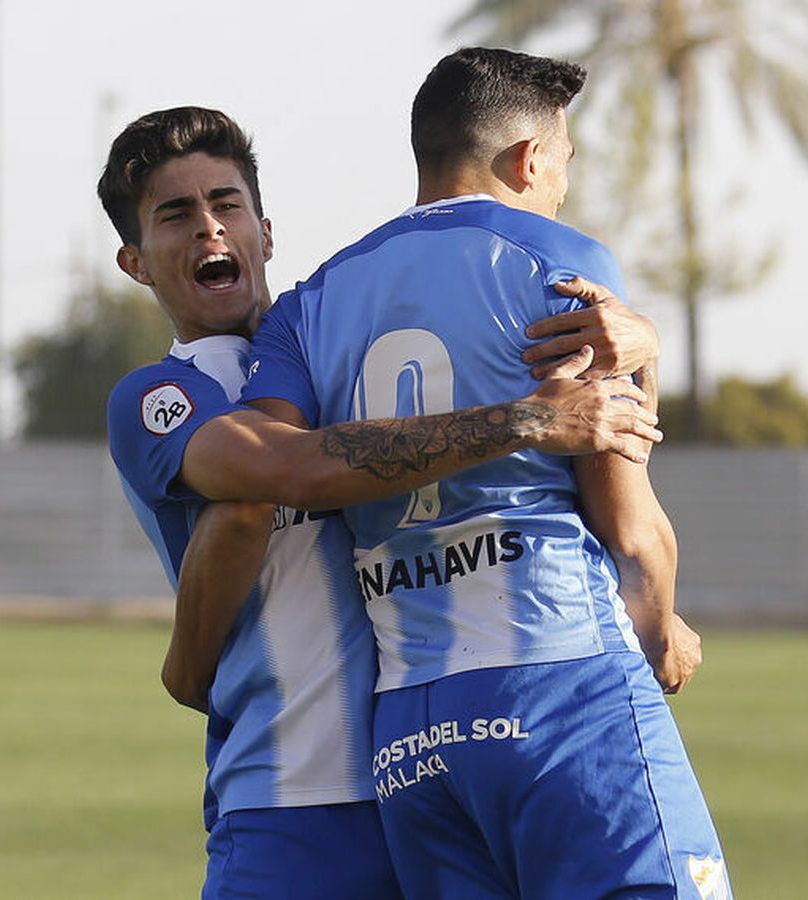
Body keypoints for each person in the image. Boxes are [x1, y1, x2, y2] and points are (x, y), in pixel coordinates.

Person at [97, 106, 665, 898]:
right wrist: (529, 419)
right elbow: (277, 479)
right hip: (287, 797)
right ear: (136, 261)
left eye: (225, 205)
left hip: (424, 778)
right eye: (176, 214)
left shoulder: (334, 349)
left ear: (265, 230)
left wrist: (637, 336)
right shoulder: (160, 395)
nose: (208, 230)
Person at [242, 48, 729, 899]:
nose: (563, 188)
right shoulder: (557, 261)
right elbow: (628, 521)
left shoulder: (311, 302)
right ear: (529, 159)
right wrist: (658, 629)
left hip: (409, 730)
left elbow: (279, 464)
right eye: (565, 164)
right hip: (562, 684)